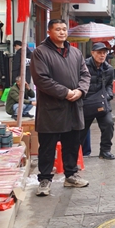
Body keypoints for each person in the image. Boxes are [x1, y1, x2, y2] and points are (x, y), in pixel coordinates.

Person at [30, 19, 91, 197]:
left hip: (73, 106)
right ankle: (45, 179)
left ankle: (71, 175)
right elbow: (41, 79)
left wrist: (80, 91)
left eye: (64, 29)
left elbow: (85, 75)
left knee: (72, 143)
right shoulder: (40, 53)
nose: (62, 32)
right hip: (51, 108)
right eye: (58, 29)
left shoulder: (75, 53)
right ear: (49, 31)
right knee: (47, 146)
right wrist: (65, 92)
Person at [81, 42, 115, 160]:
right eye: (99, 53)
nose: (102, 55)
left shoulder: (109, 69)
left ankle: (105, 151)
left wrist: (108, 95)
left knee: (109, 124)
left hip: (102, 102)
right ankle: (77, 154)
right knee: (81, 129)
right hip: (86, 103)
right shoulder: (83, 66)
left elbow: (109, 85)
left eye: (104, 53)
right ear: (92, 53)